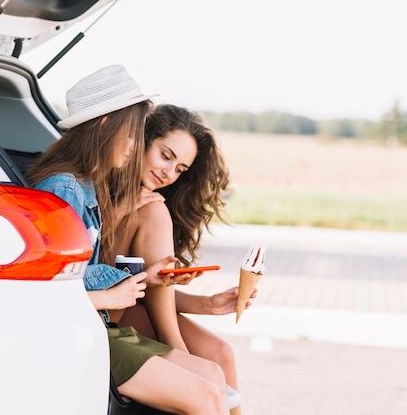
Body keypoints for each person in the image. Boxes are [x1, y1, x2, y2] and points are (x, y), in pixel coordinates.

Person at [25, 65, 229, 414]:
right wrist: (112, 293)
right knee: (206, 394)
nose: (135, 148)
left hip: (98, 324)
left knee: (212, 373)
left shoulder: (86, 187)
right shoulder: (63, 189)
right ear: (106, 127)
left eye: (180, 168)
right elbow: (48, 289)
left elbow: (84, 268)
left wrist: (147, 279)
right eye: (134, 137)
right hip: (81, 331)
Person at [115, 104, 254, 414]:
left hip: (126, 306)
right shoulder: (115, 189)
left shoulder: (149, 199)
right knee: (206, 373)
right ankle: (177, 349)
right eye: (166, 156)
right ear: (142, 140)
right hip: (107, 314)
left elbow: (147, 287)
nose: (168, 173)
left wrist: (206, 304)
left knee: (222, 353)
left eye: (180, 169)